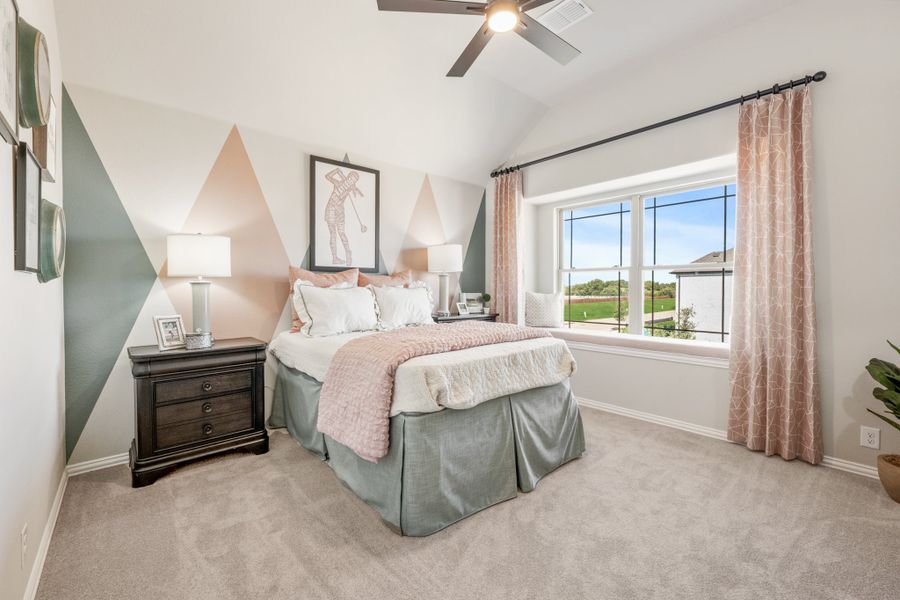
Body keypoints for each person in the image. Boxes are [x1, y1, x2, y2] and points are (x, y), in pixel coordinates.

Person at [324, 168, 362, 265]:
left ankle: (348, 253)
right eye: (351, 179)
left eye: (354, 181)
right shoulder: (338, 183)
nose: (351, 182)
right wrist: (337, 171)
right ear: (348, 177)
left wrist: (354, 188)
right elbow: (327, 176)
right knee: (333, 234)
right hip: (331, 209)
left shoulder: (350, 188)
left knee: (342, 233)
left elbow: (355, 189)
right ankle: (335, 258)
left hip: (340, 211)